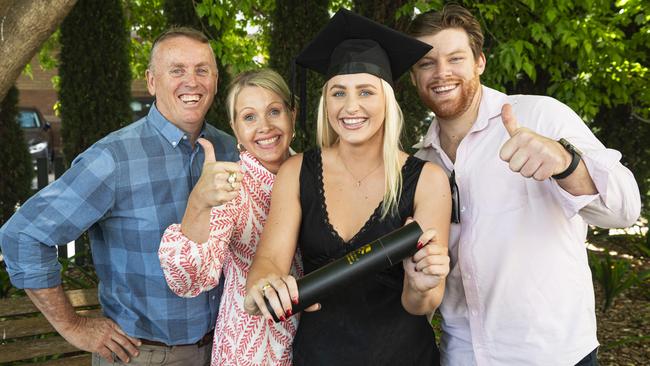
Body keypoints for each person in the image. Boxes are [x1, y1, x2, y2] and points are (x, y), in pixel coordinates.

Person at [408, 4, 642, 365]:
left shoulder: (539, 116)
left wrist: (566, 164)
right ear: (413, 75)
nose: (442, 73)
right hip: (464, 355)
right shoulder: (422, 162)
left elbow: (625, 210)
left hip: (553, 355)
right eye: (426, 62)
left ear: (480, 62)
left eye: (455, 58)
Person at [0, 27, 238, 365]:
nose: (192, 81)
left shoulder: (231, 149)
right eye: (177, 70)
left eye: (202, 70)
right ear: (152, 81)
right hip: (143, 355)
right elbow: (22, 235)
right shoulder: (113, 158)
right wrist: (75, 327)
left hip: (224, 350)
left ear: (215, 79)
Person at [244, 9, 452, 366]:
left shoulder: (427, 179)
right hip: (319, 356)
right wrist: (264, 286)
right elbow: (268, 263)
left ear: (387, 100)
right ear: (327, 102)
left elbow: (423, 304)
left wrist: (420, 285)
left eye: (366, 91)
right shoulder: (297, 172)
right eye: (338, 92)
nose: (350, 106)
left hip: (403, 357)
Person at [158, 68, 302, 366]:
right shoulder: (232, 187)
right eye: (249, 117)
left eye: (274, 111)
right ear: (235, 129)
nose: (264, 127)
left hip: (317, 340)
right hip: (253, 347)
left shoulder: (314, 172)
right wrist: (199, 203)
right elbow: (189, 280)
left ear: (293, 115)